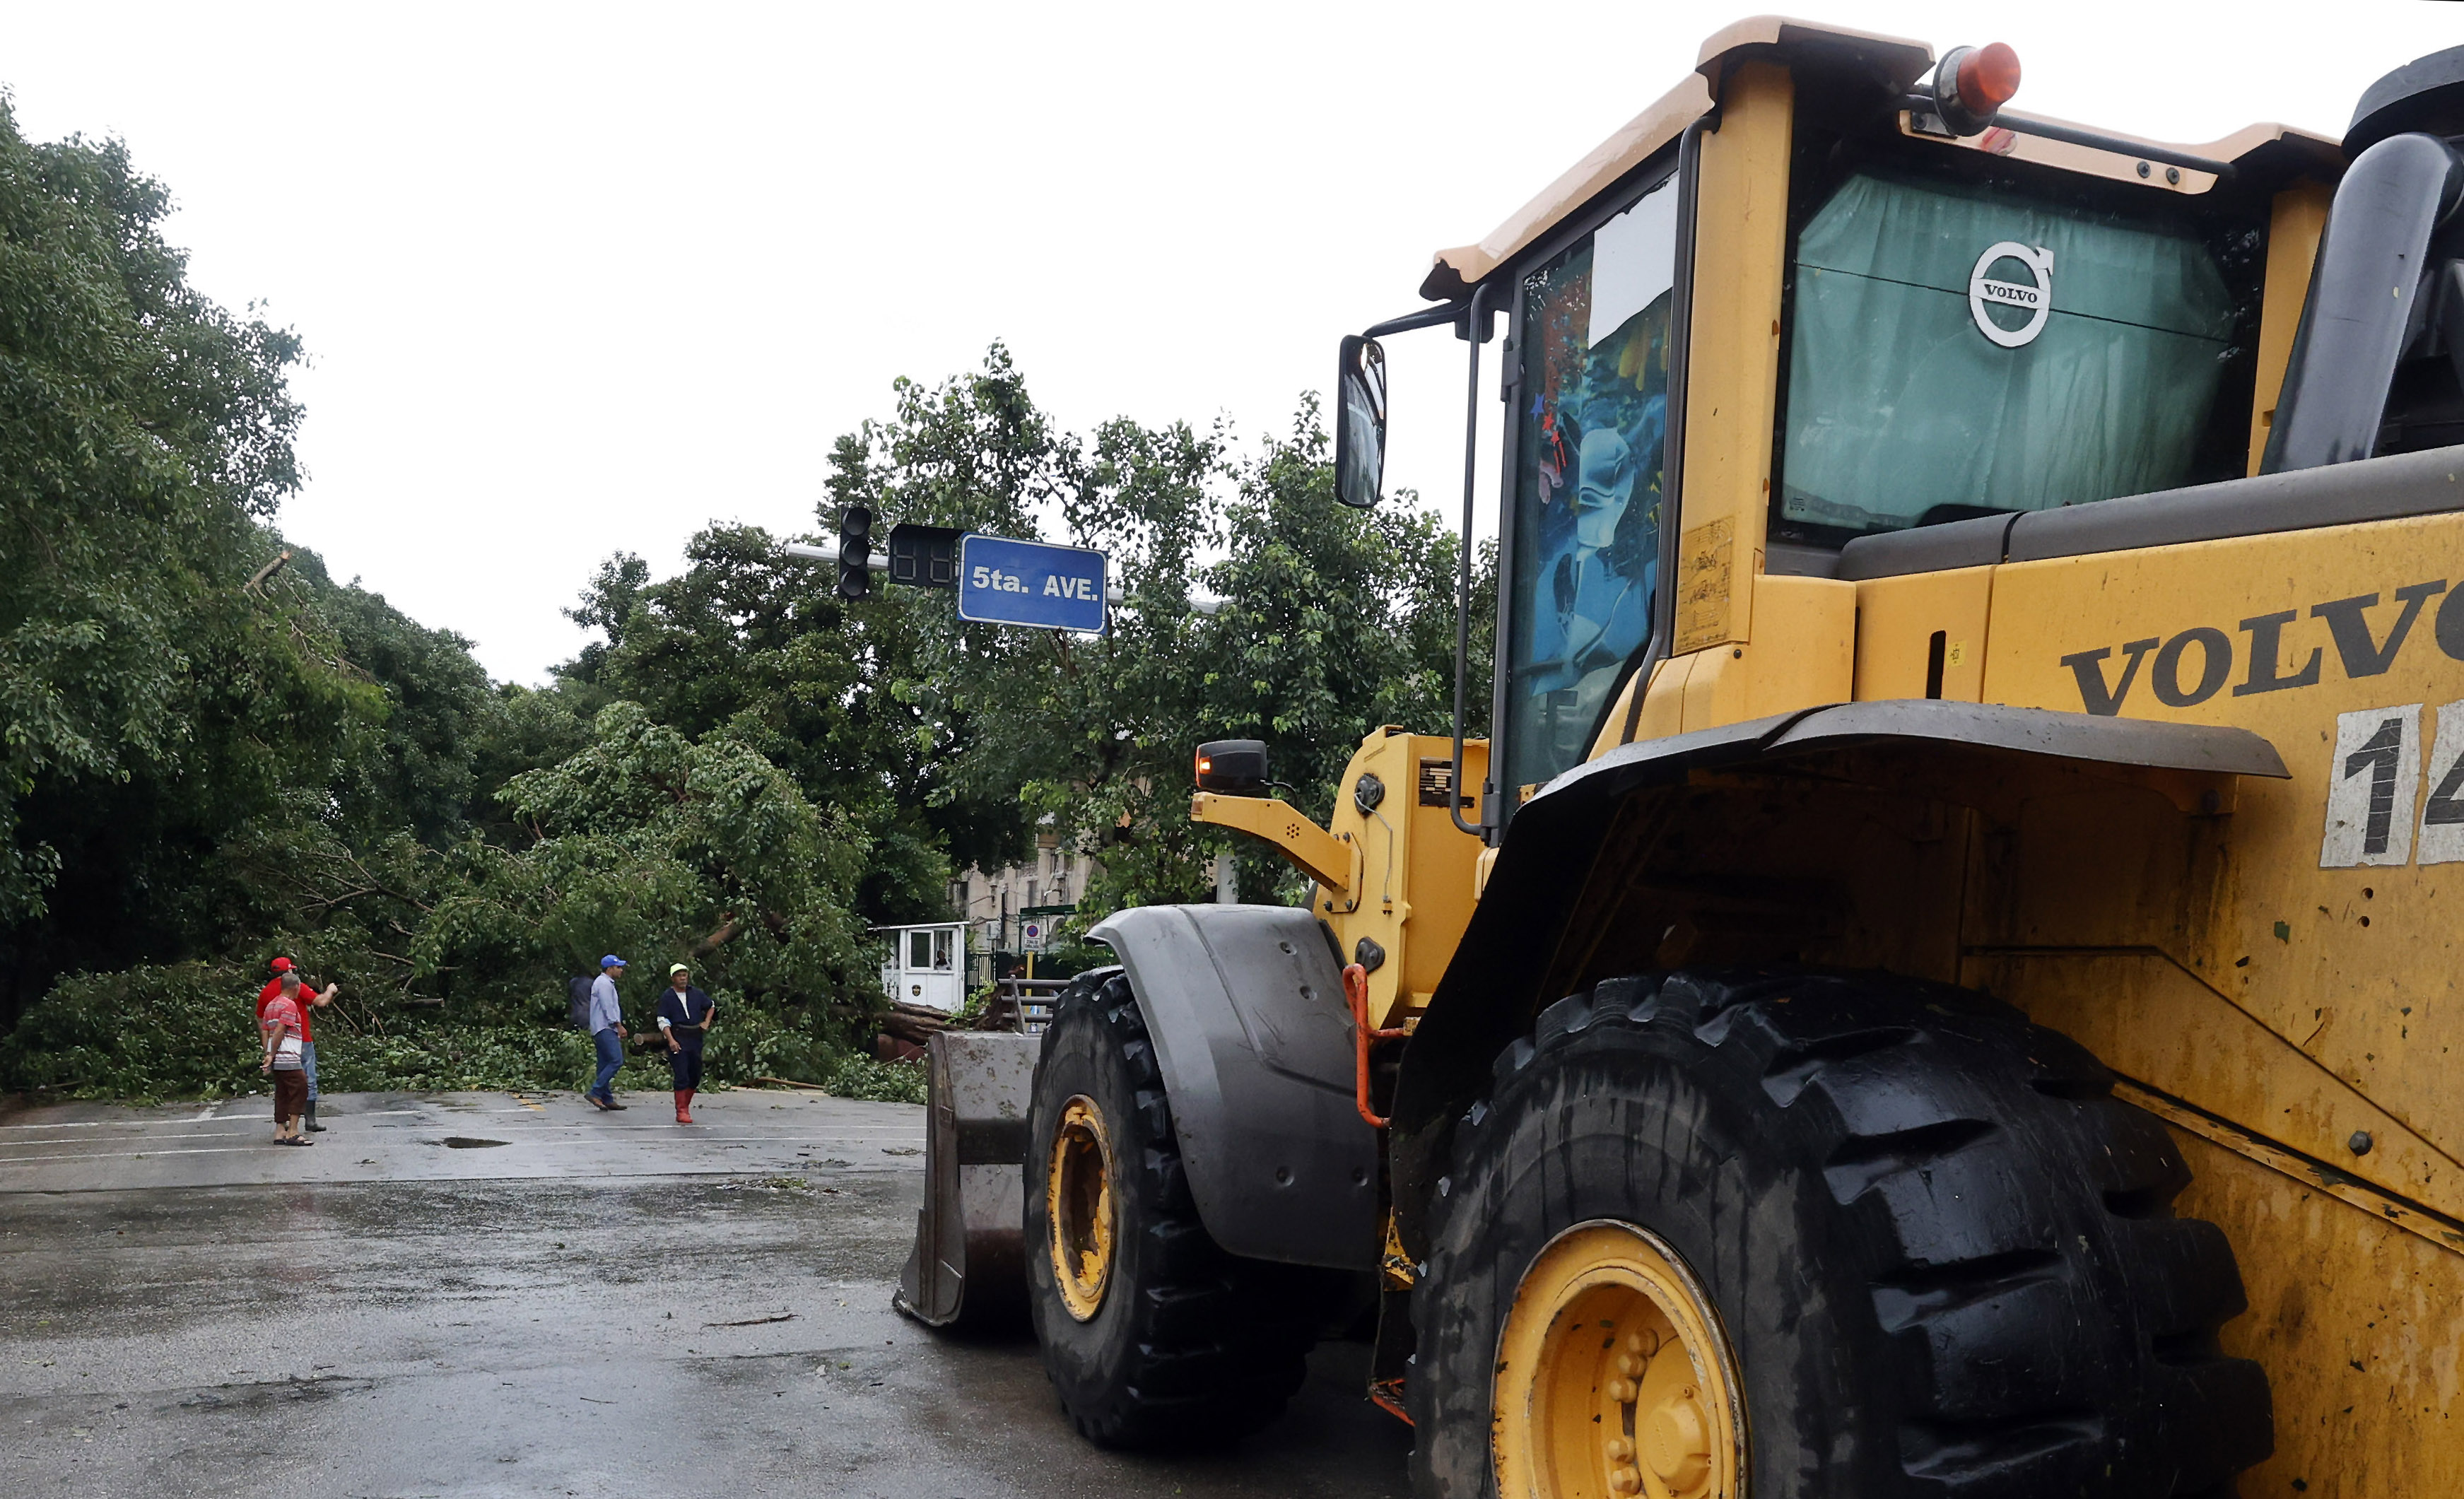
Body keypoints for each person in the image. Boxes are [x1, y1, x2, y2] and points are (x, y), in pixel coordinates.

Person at [257, 958, 338, 1132]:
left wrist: (268, 1050)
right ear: (289, 973)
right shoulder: (294, 988)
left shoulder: (265, 993)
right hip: (300, 1042)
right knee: (307, 1080)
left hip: (276, 1046)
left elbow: (262, 1023)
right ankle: (309, 1120)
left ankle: (282, 1123)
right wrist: (330, 990)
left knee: (283, 1084)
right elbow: (321, 1001)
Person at [655, 963, 717, 1124]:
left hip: (695, 1037)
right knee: (681, 1074)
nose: (682, 978)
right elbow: (662, 1020)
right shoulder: (668, 997)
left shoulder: (695, 993)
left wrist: (706, 1022)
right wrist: (671, 1040)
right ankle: (681, 1110)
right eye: (679, 975)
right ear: (673, 978)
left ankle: (686, 1104)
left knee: (695, 1074)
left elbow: (711, 1005)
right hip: (678, 1036)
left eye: (684, 975)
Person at [259, 977, 312, 1145]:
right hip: (287, 1056)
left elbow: (265, 1031)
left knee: (282, 1092)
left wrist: (267, 1054)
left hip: (276, 1059)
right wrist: (273, 1054)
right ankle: (293, 1132)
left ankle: (280, 1131)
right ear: (296, 987)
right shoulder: (289, 1005)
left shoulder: (271, 1005)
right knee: (301, 1088)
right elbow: (281, 1030)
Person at [585, 955, 630, 1110]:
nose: (621, 970)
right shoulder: (604, 983)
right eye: (618, 967)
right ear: (610, 968)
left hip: (602, 1027)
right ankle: (595, 1092)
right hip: (605, 1027)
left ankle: (607, 1097)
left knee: (604, 1064)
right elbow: (607, 1007)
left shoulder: (605, 983)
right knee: (616, 1060)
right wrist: (618, 1025)